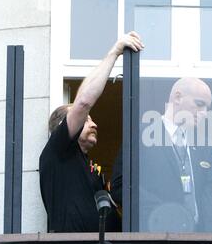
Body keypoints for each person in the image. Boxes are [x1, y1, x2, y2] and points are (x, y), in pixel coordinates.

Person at [39, 32, 144, 232]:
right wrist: (115, 52)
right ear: (63, 126)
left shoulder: (85, 164)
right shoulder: (58, 152)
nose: (94, 124)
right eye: (86, 120)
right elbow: (84, 102)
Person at [111, 77, 212, 232]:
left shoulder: (205, 146)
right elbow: (121, 186)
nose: (204, 113)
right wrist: (164, 214)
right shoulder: (141, 136)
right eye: (199, 104)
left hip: (199, 242)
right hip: (155, 237)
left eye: (207, 108)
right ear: (177, 97)